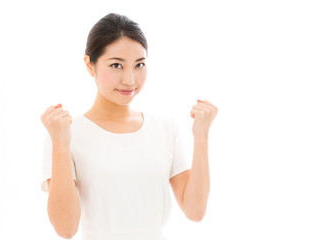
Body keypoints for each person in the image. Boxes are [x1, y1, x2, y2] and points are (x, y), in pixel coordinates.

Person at [40, 12, 218, 240]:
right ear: (89, 64)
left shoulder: (164, 129)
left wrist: (201, 137)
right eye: (116, 65)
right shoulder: (65, 135)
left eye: (139, 65)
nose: (130, 80)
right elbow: (66, 229)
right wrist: (61, 145)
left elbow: (195, 211)